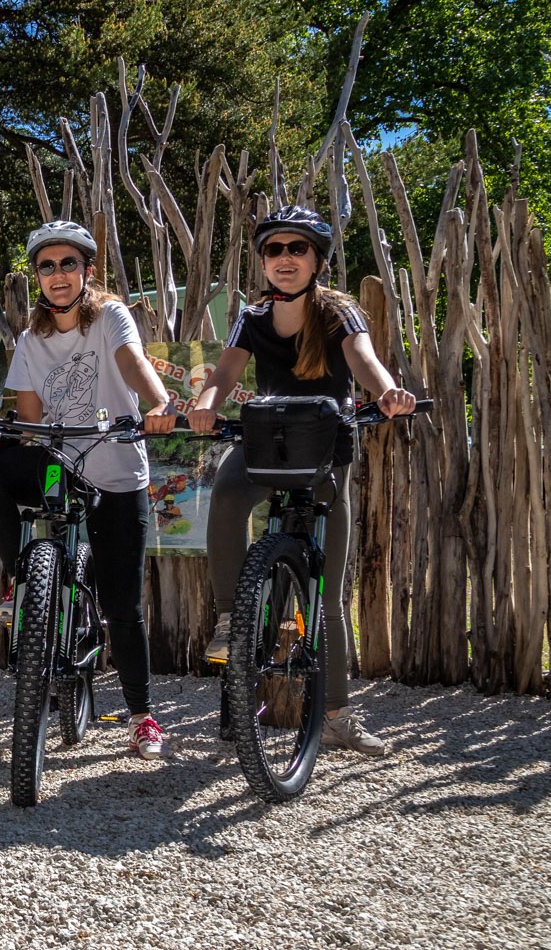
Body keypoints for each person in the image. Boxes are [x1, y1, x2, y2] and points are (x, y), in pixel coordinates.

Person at [187, 205, 416, 755]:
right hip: (267, 443)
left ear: (317, 259)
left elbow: (363, 359)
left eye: (297, 249)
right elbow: (226, 370)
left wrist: (386, 391)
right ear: (263, 261)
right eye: (274, 249)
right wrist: (205, 403)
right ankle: (231, 617)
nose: (284, 258)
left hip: (324, 451)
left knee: (328, 598)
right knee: (226, 492)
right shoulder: (253, 316)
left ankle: (337, 717)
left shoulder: (339, 312)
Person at [0, 221, 180, 760]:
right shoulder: (30, 339)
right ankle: (23, 579)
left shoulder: (109, 316)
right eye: (47, 266)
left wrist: (158, 403)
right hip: (58, 464)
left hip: (115, 469)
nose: (58, 274)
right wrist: (0, 438)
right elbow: (31, 420)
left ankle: (142, 717)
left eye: (68, 263)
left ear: (88, 269)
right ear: (36, 276)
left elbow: (132, 364)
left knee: (122, 604)